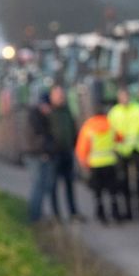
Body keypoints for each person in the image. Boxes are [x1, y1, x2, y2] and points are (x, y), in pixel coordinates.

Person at [108, 87, 139, 221]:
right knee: (123, 183)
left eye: (126, 96)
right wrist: (116, 147)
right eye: (121, 97)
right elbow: (111, 132)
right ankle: (127, 212)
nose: (124, 99)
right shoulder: (114, 112)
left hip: (138, 150)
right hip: (121, 151)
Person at [75, 102, 123, 225]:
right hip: (110, 163)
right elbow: (120, 138)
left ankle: (101, 215)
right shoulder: (110, 124)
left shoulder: (88, 127)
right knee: (113, 191)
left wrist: (83, 163)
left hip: (95, 165)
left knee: (98, 192)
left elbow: (82, 148)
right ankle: (115, 214)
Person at [48, 85, 85, 222]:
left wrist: (75, 144)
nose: (60, 97)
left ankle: (73, 212)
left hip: (67, 152)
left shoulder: (67, 111)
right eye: (57, 95)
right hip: (54, 154)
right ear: (52, 97)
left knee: (69, 185)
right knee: (53, 186)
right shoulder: (49, 113)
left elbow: (73, 129)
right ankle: (56, 214)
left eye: (61, 95)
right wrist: (49, 148)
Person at [25, 91, 56, 222]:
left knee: (43, 186)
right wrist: (44, 151)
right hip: (36, 156)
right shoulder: (35, 118)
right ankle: (35, 216)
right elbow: (37, 138)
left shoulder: (39, 116)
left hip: (39, 154)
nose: (49, 110)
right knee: (38, 186)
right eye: (48, 107)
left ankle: (38, 214)